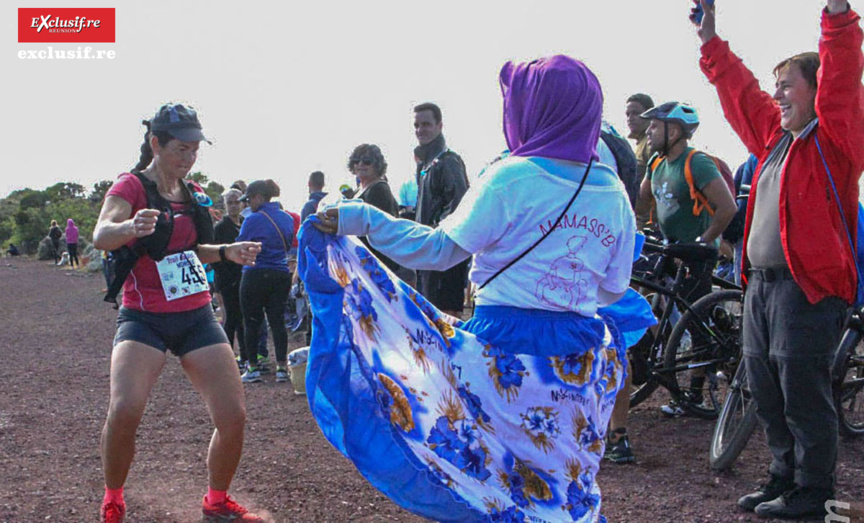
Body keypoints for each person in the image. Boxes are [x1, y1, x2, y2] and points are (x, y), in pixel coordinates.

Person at [308, 55, 653, 522]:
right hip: (579, 361)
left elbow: (438, 250)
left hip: (502, 352)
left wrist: (363, 219)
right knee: (563, 490)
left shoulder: (511, 176)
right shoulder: (612, 191)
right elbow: (613, 290)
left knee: (489, 481)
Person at [695, 0, 864, 518]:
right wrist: (710, 41)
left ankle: (814, 493)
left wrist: (836, 18)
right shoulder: (775, 140)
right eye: (778, 86)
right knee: (765, 386)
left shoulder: (834, 140)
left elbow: (842, 75)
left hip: (806, 286)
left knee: (801, 389)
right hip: (762, 285)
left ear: (817, 92)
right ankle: (782, 479)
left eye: (788, 85)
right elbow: (742, 95)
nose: (777, 94)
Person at [92, 103, 263, 523]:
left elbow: (195, 248)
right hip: (143, 316)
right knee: (126, 408)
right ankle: (114, 497)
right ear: (156, 144)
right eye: (180, 149)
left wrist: (226, 252)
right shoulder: (131, 186)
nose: (188, 158)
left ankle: (216, 500)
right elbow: (101, 235)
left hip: (196, 315)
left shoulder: (193, 194)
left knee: (233, 416)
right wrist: (130, 228)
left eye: (194, 150)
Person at [635, 101, 736, 416]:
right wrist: (641, 229)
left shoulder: (697, 163)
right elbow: (643, 200)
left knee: (695, 320)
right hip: (669, 247)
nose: (648, 131)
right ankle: (656, 361)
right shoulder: (656, 162)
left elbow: (728, 208)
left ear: (674, 130)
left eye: (655, 125)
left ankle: (694, 395)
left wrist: (702, 242)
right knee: (649, 298)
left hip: (695, 252)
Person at [413, 102, 471, 317]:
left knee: (445, 325)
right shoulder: (425, 166)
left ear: (439, 126)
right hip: (429, 256)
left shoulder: (447, 161)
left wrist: (435, 235)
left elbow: (459, 204)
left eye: (426, 124)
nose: (420, 130)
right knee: (429, 322)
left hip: (444, 256)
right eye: (417, 125)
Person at [237, 179, 294, 385]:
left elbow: (240, 244)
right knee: (277, 320)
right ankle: (281, 367)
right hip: (280, 273)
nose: (247, 203)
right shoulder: (287, 218)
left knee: (251, 321)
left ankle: (252, 368)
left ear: (259, 197)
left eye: (249, 199)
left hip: (255, 272)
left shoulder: (252, 219)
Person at [348, 144, 402, 274]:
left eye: (367, 161)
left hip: (377, 262)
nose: (360, 164)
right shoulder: (357, 191)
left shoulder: (379, 189)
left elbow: (380, 230)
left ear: (377, 165)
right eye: (356, 161)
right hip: (361, 260)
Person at [213, 188, 248, 369]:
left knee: (244, 319)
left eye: (236, 202)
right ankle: (225, 357)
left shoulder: (245, 223)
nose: (234, 206)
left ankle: (245, 355)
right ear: (225, 205)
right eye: (230, 203)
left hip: (245, 278)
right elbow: (215, 257)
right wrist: (227, 278)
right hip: (228, 280)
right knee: (231, 318)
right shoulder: (220, 227)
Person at [625, 93, 656, 229]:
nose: (630, 118)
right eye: (628, 114)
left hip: (647, 222)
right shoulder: (639, 145)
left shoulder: (651, 145)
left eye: (636, 113)